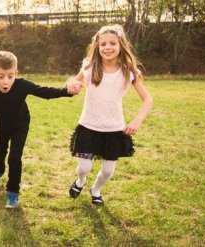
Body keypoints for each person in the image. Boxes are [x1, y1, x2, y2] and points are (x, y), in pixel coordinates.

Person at [0, 51, 80, 208]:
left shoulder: (22, 85)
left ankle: (13, 192)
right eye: (1, 77)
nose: (6, 81)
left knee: (14, 158)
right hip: (1, 125)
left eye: (10, 76)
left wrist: (66, 91)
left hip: (20, 125)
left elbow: (45, 92)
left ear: (16, 73)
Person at [66, 24, 153, 206]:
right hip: (89, 125)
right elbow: (74, 81)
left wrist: (136, 121)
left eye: (112, 43)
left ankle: (96, 189)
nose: (107, 47)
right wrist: (72, 85)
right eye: (103, 44)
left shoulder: (129, 71)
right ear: (97, 46)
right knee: (84, 167)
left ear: (121, 45)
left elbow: (147, 99)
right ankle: (81, 181)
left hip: (114, 128)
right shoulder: (89, 67)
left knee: (108, 171)